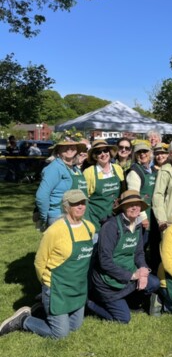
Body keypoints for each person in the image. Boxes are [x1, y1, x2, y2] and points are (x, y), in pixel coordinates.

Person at [0, 190, 94, 338]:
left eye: (83, 202)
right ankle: (23, 320)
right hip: (58, 288)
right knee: (60, 335)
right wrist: (46, 283)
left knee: (75, 327)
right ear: (66, 206)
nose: (81, 206)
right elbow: (40, 261)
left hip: (78, 287)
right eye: (75, 203)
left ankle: (41, 310)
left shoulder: (89, 227)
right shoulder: (55, 231)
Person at [87, 190, 160, 323]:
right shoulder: (110, 226)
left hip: (128, 274)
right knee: (123, 319)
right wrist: (132, 276)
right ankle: (91, 303)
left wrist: (143, 271)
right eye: (130, 205)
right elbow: (105, 262)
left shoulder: (137, 225)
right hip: (107, 282)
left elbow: (138, 253)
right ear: (123, 207)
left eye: (137, 204)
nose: (134, 208)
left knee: (153, 283)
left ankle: (129, 303)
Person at [35, 138, 88, 227]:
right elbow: (42, 195)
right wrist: (44, 217)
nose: (69, 148)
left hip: (75, 216)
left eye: (72, 146)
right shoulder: (54, 168)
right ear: (58, 150)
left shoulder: (74, 169)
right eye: (65, 146)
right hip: (60, 217)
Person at [83, 140, 124, 232]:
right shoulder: (89, 172)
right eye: (98, 152)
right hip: (96, 219)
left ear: (109, 153)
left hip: (114, 218)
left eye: (105, 151)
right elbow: (84, 197)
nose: (103, 154)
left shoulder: (118, 169)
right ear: (94, 156)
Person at [126, 141, 156, 246]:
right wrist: (142, 217)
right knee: (141, 248)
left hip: (153, 216)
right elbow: (134, 197)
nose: (142, 154)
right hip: (142, 217)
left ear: (150, 153)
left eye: (145, 151)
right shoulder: (134, 172)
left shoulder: (152, 170)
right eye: (139, 152)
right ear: (135, 155)